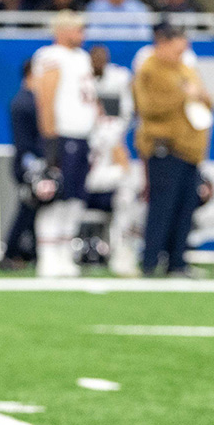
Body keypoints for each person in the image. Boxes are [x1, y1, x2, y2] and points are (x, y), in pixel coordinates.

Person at [134, 23, 211, 278]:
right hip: (164, 147)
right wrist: (183, 96)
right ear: (163, 44)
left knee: (185, 208)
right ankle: (150, 261)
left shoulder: (186, 69)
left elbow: (206, 99)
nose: (181, 55)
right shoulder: (149, 69)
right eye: (177, 50)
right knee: (161, 207)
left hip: (190, 150)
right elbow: (147, 107)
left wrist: (201, 96)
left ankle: (177, 261)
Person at [30, 11, 100, 278]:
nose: (82, 34)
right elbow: (45, 99)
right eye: (77, 29)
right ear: (61, 30)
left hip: (83, 137)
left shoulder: (81, 58)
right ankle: (47, 255)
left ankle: (65, 252)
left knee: (76, 199)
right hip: (63, 136)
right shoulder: (51, 56)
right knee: (54, 198)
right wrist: (50, 140)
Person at [87, 44, 142, 277]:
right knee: (129, 184)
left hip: (98, 173)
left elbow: (119, 154)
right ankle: (121, 252)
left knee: (130, 187)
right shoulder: (81, 123)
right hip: (87, 175)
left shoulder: (109, 124)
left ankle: (123, 249)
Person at [2, 61, 42, 269]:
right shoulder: (24, 102)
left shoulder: (29, 100)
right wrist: (36, 162)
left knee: (33, 210)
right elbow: (25, 141)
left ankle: (33, 253)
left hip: (28, 161)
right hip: (28, 163)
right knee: (27, 209)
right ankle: (9, 252)